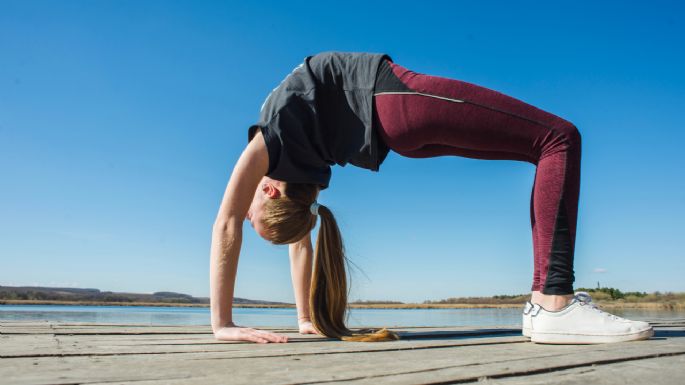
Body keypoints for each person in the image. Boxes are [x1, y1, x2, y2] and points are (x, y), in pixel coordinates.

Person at [210, 51, 654, 344]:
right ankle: (554, 302)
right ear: (268, 190)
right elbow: (236, 225)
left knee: (548, 147)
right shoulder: (280, 158)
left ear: (270, 189)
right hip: (396, 107)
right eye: (256, 219)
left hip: (398, 131)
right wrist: (222, 325)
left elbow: (294, 240)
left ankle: (548, 303)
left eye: (257, 223)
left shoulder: (285, 163)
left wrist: (304, 320)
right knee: (558, 138)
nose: (245, 216)